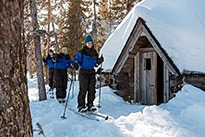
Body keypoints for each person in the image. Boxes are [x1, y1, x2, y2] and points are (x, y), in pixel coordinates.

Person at [73, 35, 104, 113]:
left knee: (92, 90)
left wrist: (99, 62)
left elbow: (95, 64)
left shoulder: (94, 53)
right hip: (83, 72)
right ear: (86, 43)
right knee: (83, 89)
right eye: (88, 43)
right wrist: (75, 64)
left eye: (91, 43)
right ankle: (81, 106)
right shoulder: (82, 52)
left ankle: (90, 104)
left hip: (91, 72)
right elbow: (77, 60)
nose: (90, 44)